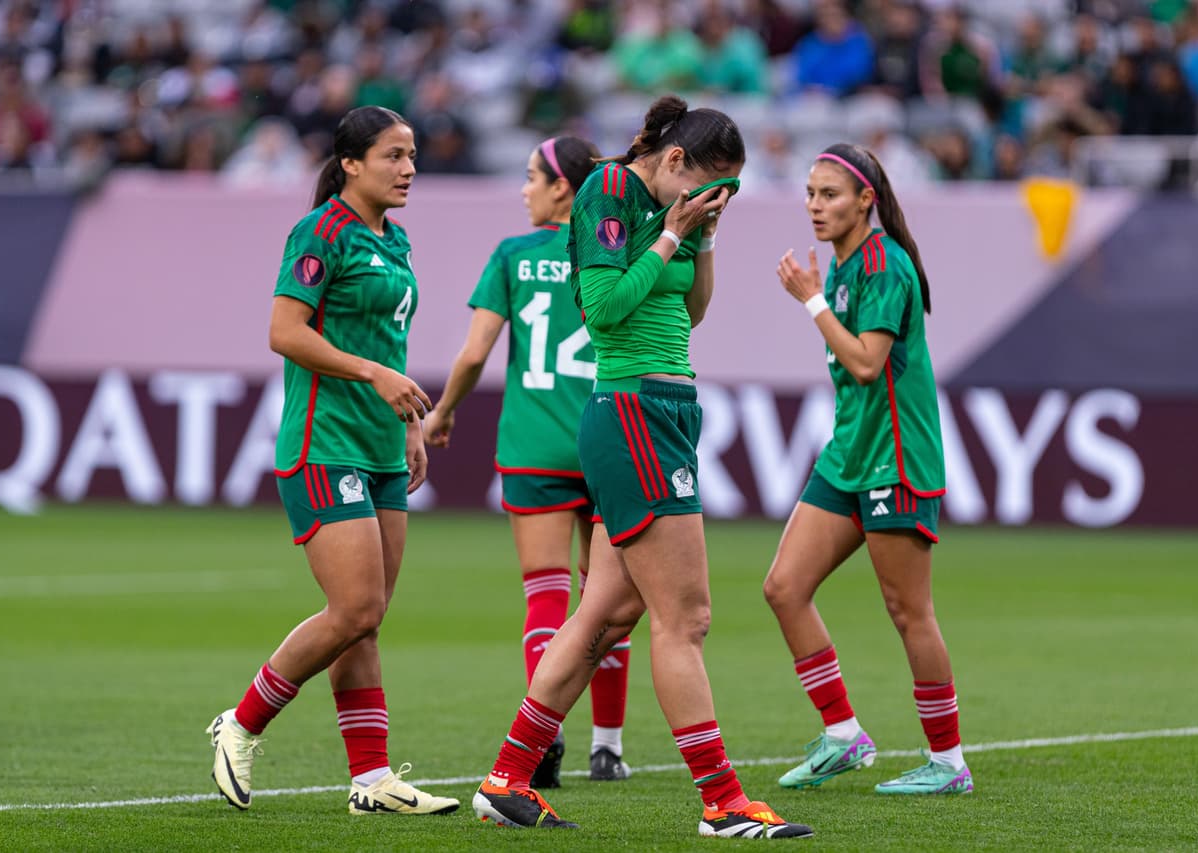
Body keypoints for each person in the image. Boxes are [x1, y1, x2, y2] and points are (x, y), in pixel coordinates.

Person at [470, 95, 814, 839]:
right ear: (672, 160)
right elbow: (602, 310)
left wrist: (704, 238)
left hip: (663, 411)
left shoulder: (675, 209)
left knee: (603, 613)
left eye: (730, 193)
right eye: (708, 186)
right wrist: (670, 239)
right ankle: (722, 801)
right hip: (632, 413)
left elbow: (689, 313)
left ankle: (507, 776)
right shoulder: (611, 192)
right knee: (684, 617)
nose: (714, 200)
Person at [205, 105, 460, 817]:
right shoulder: (320, 232)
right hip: (323, 445)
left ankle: (372, 779)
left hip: (380, 446)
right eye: (393, 155)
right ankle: (242, 722)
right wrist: (374, 377)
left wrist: (406, 424)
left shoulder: (397, 240)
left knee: (367, 619)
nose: (408, 169)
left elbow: (389, 341)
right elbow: (284, 331)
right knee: (354, 606)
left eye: (413, 156)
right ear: (350, 162)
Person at [424, 135, 634, 787]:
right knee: (604, 596)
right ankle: (608, 746)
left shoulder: (514, 255)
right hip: (607, 437)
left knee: (545, 595)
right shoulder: (611, 249)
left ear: (563, 188)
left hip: (533, 444)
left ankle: (544, 738)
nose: (524, 189)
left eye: (532, 178)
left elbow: (474, 353)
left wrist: (445, 410)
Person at [765, 142, 972, 795]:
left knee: (908, 609)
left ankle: (948, 762)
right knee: (784, 587)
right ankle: (843, 734)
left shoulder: (885, 265)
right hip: (849, 453)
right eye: (810, 193)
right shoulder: (849, 264)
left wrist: (810, 300)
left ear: (865, 201)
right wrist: (820, 295)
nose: (814, 206)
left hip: (896, 459)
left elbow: (865, 363)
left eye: (829, 194)